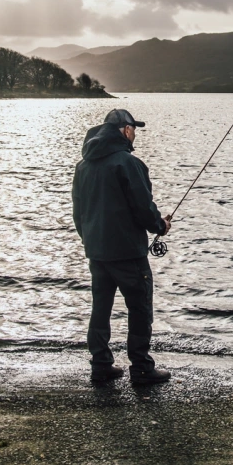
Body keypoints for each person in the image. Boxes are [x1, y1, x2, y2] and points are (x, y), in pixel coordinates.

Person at [72, 109, 172, 384]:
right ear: (126, 130)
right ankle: (141, 368)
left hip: (96, 252)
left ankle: (101, 365)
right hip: (128, 253)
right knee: (140, 308)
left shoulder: (83, 166)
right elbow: (143, 207)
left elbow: (78, 212)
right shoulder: (129, 163)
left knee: (100, 308)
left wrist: (89, 239)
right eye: (133, 129)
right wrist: (160, 226)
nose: (134, 134)